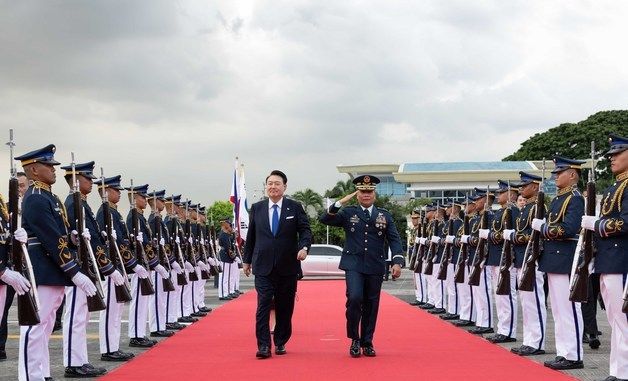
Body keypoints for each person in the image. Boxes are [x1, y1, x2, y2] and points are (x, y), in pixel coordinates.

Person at [16, 144, 96, 381]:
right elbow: (51, 239)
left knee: (46, 326)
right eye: (48, 165)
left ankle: (42, 373)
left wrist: (72, 237)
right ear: (33, 170)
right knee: (35, 328)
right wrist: (74, 272)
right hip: (42, 270)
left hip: (52, 270)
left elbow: (58, 234)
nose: (53, 170)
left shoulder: (49, 197)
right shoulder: (36, 198)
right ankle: (31, 376)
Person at [320, 174, 404, 358]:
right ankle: (354, 338)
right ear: (357, 194)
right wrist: (340, 203)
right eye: (362, 191)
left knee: (371, 305)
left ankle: (367, 341)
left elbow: (394, 239)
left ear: (374, 194)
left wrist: (397, 261)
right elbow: (324, 219)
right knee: (355, 298)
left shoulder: (384, 215)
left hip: (375, 264)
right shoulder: (348, 212)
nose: (366, 194)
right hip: (354, 264)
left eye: (369, 191)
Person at [243, 169, 312, 359]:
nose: (273, 186)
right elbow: (252, 237)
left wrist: (304, 247)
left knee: (285, 306)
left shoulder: (294, 207)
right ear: (266, 186)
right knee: (263, 304)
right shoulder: (257, 208)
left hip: (288, 266)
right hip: (263, 266)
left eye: (277, 183)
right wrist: (247, 260)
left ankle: (280, 340)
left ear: (285, 187)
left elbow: (305, 231)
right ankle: (264, 345)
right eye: (270, 183)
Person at [582, 134, 628, 381]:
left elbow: (626, 222)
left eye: (617, 154)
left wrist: (598, 224)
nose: (612, 159)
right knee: (615, 320)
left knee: (623, 321)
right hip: (607, 261)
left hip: (621, 260)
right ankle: (619, 370)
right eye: (611, 155)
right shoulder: (613, 188)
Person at [533, 156, 585, 371]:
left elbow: (569, 229)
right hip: (554, 259)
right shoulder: (557, 199)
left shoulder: (575, 198)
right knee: (558, 310)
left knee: (569, 309)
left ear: (572, 175)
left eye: (559, 172)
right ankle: (564, 352)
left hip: (565, 258)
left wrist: (543, 228)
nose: (555, 176)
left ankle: (574, 355)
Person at [95, 175, 137, 361]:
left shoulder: (114, 213)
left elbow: (122, 239)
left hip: (119, 264)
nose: (119, 193)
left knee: (117, 309)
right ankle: (108, 349)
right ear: (105, 192)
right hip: (111, 264)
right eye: (115, 190)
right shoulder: (104, 212)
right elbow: (108, 243)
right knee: (110, 308)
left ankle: (114, 346)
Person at [507, 171, 548, 357]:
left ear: (536, 187)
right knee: (526, 301)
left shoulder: (538, 208)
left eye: (525, 186)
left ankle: (537, 342)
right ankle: (529, 340)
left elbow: (535, 236)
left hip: (533, 259)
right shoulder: (525, 209)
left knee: (535, 302)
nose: (521, 189)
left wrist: (514, 236)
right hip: (522, 257)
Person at [0, 171, 30, 361]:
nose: (20, 189)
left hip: (21, 267)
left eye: (22, 185)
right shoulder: (7, 208)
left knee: (6, 306)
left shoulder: (30, 206)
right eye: (17, 185)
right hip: (6, 267)